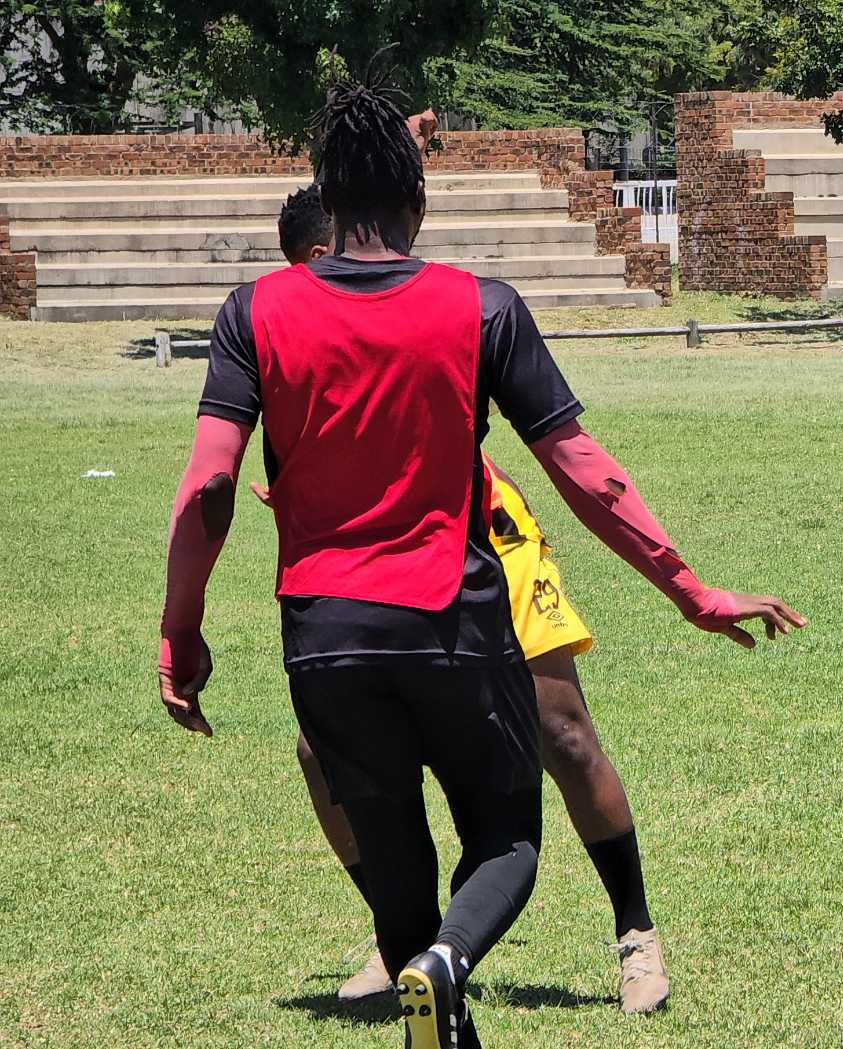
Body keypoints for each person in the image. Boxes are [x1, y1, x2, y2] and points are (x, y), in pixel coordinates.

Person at [159, 80, 802, 1049]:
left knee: (399, 875)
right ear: (419, 204)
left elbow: (209, 486)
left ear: (327, 207)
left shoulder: (252, 312)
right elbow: (588, 474)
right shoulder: (482, 307)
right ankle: (448, 960)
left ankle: (434, 967)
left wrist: (180, 630)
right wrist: (690, 588)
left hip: (324, 638)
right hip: (450, 621)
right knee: (505, 840)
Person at [272, 185, 678, 1014]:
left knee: (561, 731)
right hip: (370, 577)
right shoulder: (295, 321)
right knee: (323, 755)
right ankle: (411, 941)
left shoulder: (414, 297)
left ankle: (636, 931)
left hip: (481, 546)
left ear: (326, 255)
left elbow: (562, 447)